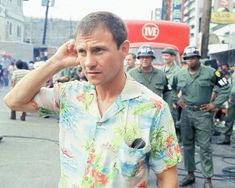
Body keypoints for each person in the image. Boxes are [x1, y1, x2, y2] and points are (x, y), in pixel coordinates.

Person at [4, 11, 181, 187]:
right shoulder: (71, 95)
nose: (88, 62)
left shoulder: (153, 109)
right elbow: (14, 101)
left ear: (124, 50)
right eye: (82, 51)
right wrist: (57, 61)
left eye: (98, 50)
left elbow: (167, 177)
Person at [172, 46, 230, 188]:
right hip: (186, 114)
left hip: (203, 114)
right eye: (187, 58)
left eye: (193, 58)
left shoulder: (211, 73)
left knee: (205, 147)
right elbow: (170, 89)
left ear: (198, 58)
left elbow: (226, 87)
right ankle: (190, 174)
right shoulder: (179, 74)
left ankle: (207, 179)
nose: (190, 61)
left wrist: (214, 104)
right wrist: (177, 99)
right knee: (187, 146)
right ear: (185, 60)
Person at [160, 47, 181, 139]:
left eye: (167, 55)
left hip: (173, 98)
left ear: (173, 57)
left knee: (172, 118)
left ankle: (174, 137)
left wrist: (177, 100)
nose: (164, 57)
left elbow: (182, 87)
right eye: (163, 55)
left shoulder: (178, 71)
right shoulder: (161, 69)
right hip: (162, 96)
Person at [217, 71, 235, 145]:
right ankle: (227, 139)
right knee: (229, 119)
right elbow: (231, 86)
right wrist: (229, 96)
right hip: (232, 99)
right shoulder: (233, 74)